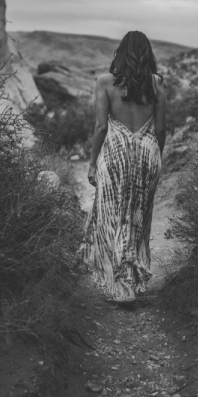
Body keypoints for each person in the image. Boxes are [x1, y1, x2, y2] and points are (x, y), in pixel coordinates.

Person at [80, 31, 167, 303]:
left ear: (120, 52)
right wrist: (155, 156)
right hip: (147, 152)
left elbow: (101, 126)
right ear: (147, 54)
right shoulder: (157, 83)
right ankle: (133, 279)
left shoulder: (105, 82)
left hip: (116, 153)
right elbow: (162, 128)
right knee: (138, 216)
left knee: (111, 217)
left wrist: (93, 163)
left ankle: (120, 285)